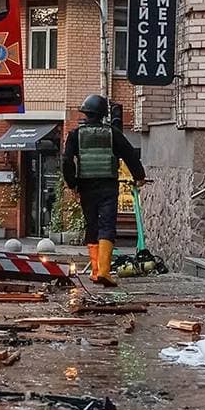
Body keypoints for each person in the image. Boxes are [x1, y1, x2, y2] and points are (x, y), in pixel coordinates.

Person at [61, 94, 145, 285]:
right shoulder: (112, 133)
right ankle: (105, 272)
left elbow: (66, 161)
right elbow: (129, 154)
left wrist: (72, 184)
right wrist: (139, 176)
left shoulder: (75, 135)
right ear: (102, 114)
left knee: (92, 225)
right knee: (107, 225)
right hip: (108, 186)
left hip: (86, 186)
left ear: (86, 113)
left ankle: (95, 271)